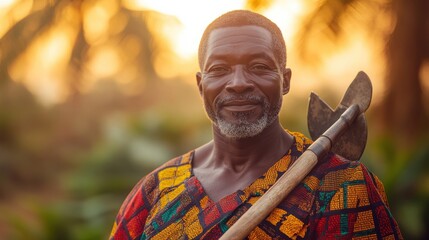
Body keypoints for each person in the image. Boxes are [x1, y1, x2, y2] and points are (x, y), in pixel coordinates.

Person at [110, 10, 402, 239]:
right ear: (201, 85)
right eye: (219, 69)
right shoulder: (156, 189)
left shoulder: (342, 186)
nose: (238, 83)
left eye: (259, 67)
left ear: (285, 80)